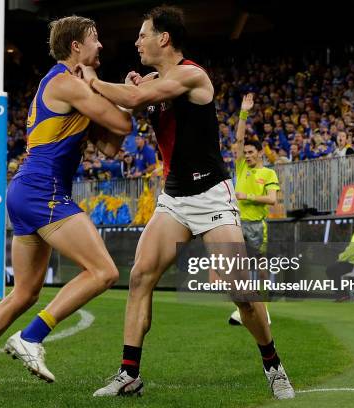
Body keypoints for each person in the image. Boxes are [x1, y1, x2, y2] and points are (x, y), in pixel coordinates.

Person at [76, 6, 294, 399]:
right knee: (141, 276)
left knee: (241, 292)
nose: (137, 41)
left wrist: (91, 77)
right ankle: (129, 374)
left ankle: (273, 365)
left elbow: (138, 95)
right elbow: (129, 105)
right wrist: (124, 93)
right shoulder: (155, 80)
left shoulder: (192, 74)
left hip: (211, 194)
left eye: (143, 35)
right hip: (174, 198)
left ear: (164, 38)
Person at [0, 15, 132, 390]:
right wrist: (121, 96)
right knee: (104, 272)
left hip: (28, 190)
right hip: (43, 190)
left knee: (25, 292)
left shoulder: (74, 90)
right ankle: (31, 337)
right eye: (95, 39)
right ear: (76, 47)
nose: (102, 46)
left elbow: (111, 143)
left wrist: (120, 98)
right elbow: (123, 125)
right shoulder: (67, 83)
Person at [228, 94, 278, 326]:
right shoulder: (239, 168)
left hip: (257, 225)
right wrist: (243, 113)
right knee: (238, 269)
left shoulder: (268, 174)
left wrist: (245, 196)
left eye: (250, 152)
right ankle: (243, 309)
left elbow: (272, 200)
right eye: (244, 152)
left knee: (261, 268)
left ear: (259, 153)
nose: (246, 155)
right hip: (239, 223)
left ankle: (264, 309)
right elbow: (238, 139)